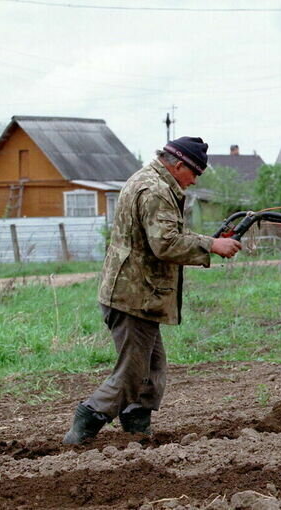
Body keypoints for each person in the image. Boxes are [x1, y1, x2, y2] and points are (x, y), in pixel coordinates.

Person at [63, 136, 241, 444]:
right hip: (133, 297)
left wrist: (204, 241)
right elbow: (166, 243)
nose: (195, 181)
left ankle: (136, 431)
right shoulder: (157, 190)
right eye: (194, 173)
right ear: (179, 165)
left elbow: (165, 233)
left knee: (151, 370)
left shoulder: (147, 179)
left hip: (136, 293)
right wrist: (211, 245)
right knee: (133, 374)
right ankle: (85, 423)